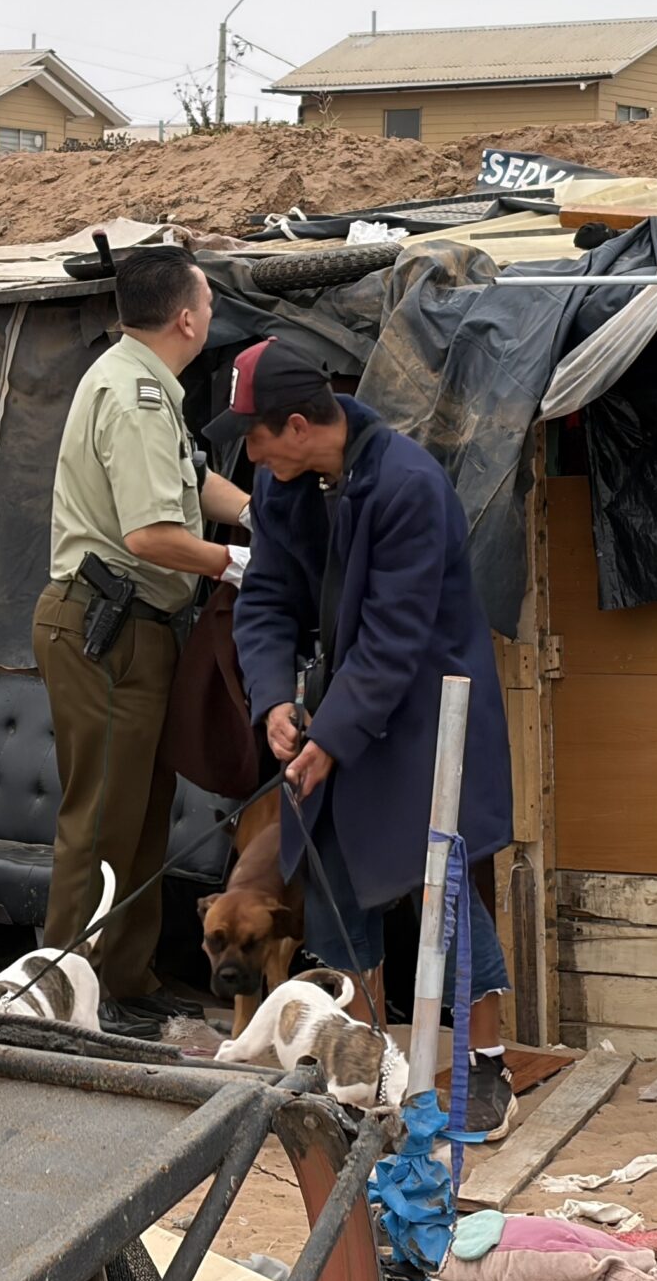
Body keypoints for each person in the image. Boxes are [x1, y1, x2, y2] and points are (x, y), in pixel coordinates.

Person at [217, 336, 519, 1131]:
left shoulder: (408, 484)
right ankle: (367, 1068)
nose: (249, 454)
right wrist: (274, 701)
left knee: (439, 885)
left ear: (296, 426)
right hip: (337, 707)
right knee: (334, 887)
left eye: (254, 436)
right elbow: (265, 599)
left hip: (423, 710)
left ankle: (488, 1066)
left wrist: (332, 735)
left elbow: (395, 634)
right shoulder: (280, 483)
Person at [35, 245, 250, 1034]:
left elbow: (189, 481)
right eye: (210, 303)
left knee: (141, 816)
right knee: (99, 825)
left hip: (139, 629)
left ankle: (124, 980)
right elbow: (152, 534)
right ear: (186, 318)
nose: (212, 316)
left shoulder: (143, 382)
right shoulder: (135, 397)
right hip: (107, 628)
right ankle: (63, 999)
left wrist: (255, 513)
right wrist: (237, 563)